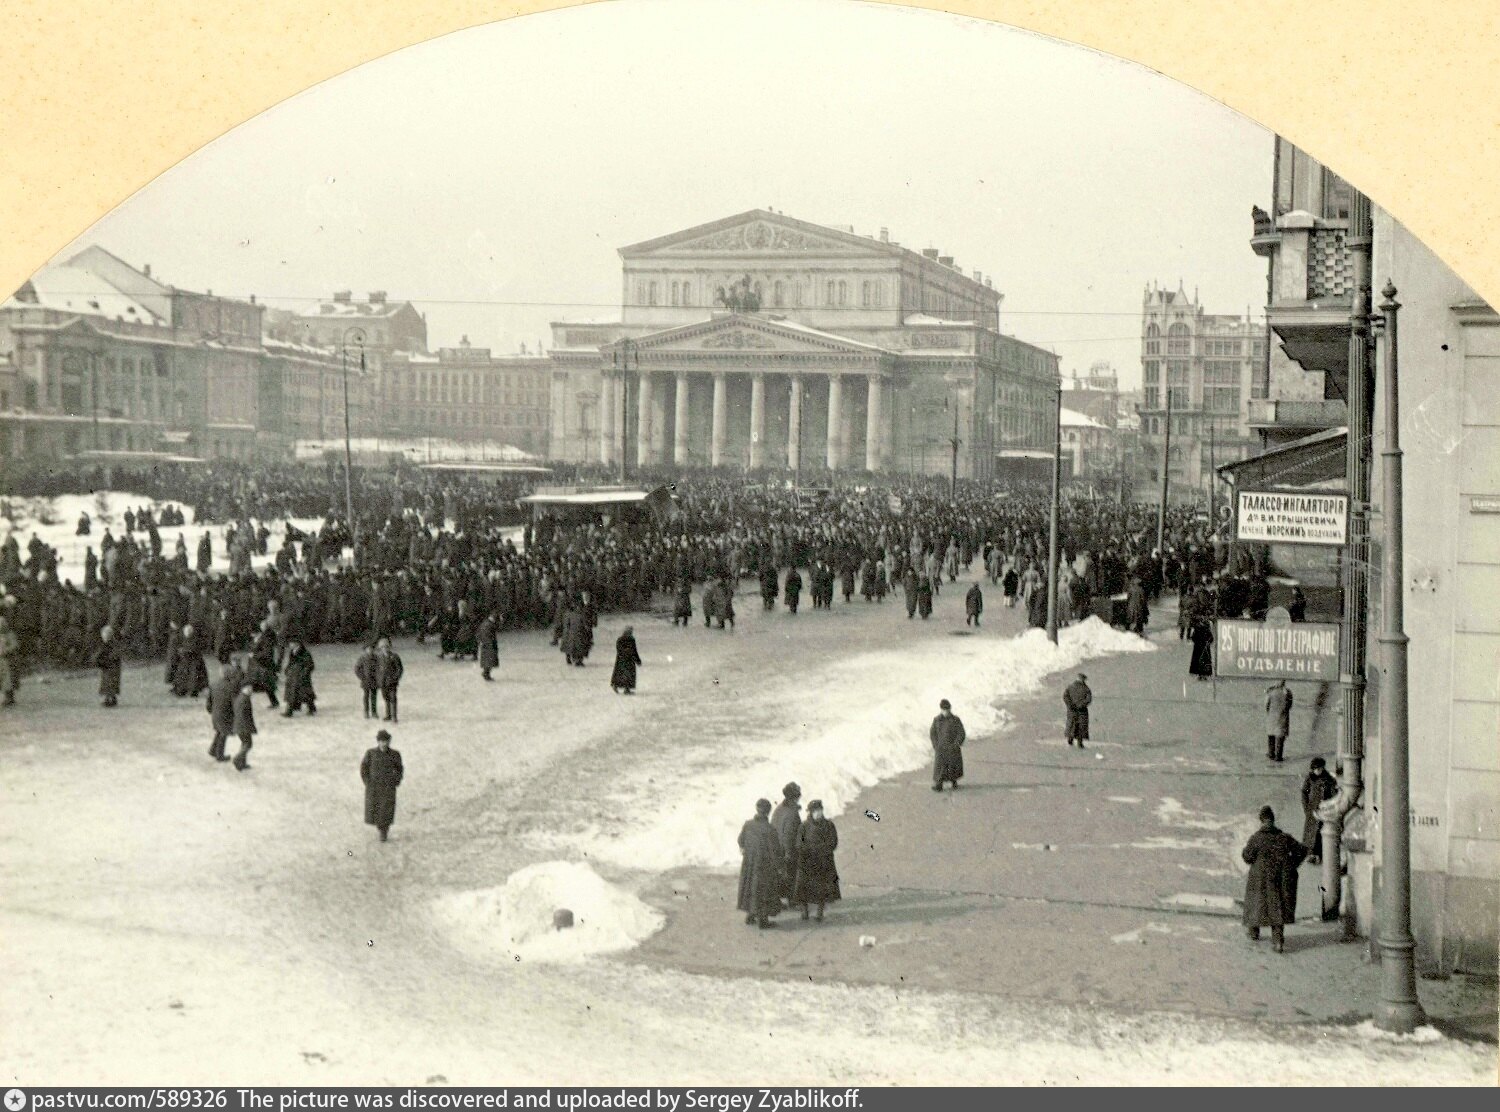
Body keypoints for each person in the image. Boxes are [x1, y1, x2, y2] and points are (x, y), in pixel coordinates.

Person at [1241, 805, 1306, 953]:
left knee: (1256, 902)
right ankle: (1278, 941)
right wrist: (1292, 865)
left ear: (1261, 821)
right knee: (1278, 908)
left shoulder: (1256, 838)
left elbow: (1247, 857)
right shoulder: (1284, 837)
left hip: (1261, 877)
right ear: (1273, 820)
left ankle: (1254, 932)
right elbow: (1302, 850)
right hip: (1281, 877)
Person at [736, 798, 783, 929]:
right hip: (764, 866)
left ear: (757, 809)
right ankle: (763, 921)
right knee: (763, 891)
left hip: (749, 864)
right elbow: (775, 851)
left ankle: (750, 916)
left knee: (750, 888)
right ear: (768, 812)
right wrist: (780, 866)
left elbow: (740, 841)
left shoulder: (748, 824)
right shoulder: (770, 829)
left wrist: (746, 850)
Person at [793, 799, 841, 922]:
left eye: (819, 810)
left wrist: (822, 850)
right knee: (803, 888)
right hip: (807, 861)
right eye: (815, 811)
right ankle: (804, 911)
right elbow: (798, 844)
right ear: (810, 812)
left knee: (822, 889)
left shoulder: (829, 825)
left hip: (823, 861)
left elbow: (833, 842)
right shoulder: (804, 826)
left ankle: (819, 913)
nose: (818, 813)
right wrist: (808, 850)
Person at [361, 729, 404, 843]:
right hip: (374, 787)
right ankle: (380, 828)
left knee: (386, 810)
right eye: (381, 741)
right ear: (378, 742)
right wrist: (367, 782)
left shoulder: (395, 754)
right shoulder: (371, 753)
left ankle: (384, 831)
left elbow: (399, 769)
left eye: (386, 741)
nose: (384, 744)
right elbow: (364, 768)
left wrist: (396, 781)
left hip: (388, 787)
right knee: (375, 809)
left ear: (389, 741)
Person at [1301, 758, 1338, 865]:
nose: (1317, 771)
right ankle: (1309, 854)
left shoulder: (1329, 779)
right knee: (1310, 833)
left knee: (1320, 833)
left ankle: (1319, 854)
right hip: (1312, 810)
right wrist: (1306, 807)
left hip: (1323, 810)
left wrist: (1330, 806)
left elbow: (1333, 794)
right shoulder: (1309, 778)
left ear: (1322, 768)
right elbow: (1304, 792)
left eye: (1319, 769)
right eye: (1315, 769)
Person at [770, 783, 802, 907]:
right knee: (791, 874)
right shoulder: (792, 813)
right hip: (786, 849)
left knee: (780, 876)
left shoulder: (779, 808)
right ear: (796, 797)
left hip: (775, 847)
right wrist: (789, 853)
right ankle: (791, 900)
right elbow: (789, 835)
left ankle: (778, 900)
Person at [207, 658, 242, 762]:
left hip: (215, 713)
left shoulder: (213, 684)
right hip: (226, 714)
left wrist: (210, 710)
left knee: (219, 731)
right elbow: (234, 702)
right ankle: (219, 755)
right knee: (224, 734)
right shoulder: (231, 687)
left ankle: (213, 750)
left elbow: (209, 701)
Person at [929, 698, 966, 791]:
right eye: (944, 710)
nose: (946, 711)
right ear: (941, 709)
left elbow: (961, 733)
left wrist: (956, 744)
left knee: (953, 766)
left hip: (952, 747)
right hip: (941, 748)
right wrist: (935, 745)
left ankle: (954, 782)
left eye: (948, 709)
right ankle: (939, 785)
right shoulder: (937, 720)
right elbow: (933, 733)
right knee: (940, 768)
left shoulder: (955, 720)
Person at [282, 639, 317, 717]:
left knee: (305, 693)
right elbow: (290, 663)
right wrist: (287, 670)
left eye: (291, 643)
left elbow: (310, 665)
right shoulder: (292, 652)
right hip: (293, 676)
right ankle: (290, 710)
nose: (290, 645)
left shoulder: (305, 653)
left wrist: (304, 674)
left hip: (301, 676)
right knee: (293, 692)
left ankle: (310, 708)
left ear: (297, 643)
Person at [231, 681, 257, 771]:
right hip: (244, 726)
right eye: (249, 688)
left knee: (244, 743)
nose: (251, 690)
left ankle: (242, 763)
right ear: (244, 688)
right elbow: (244, 715)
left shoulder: (240, 697)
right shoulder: (245, 699)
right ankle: (237, 759)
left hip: (238, 726)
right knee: (248, 744)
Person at [376, 637, 403, 723]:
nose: (384, 649)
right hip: (382, 682)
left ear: (389, 647)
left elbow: (399, 669)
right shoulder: (379, 657)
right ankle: (388, 715)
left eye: (386, 647)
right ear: (380, 648)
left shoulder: (394, 656)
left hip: (392, 682)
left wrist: (395, 678)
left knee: (393, 698)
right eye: (382, 647)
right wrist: (378, 679)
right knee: (386, 698)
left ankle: (394, 716)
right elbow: (376, 669)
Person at [1265, 679, 1292, 761]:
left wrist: (1269, 712)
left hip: (1272, 716)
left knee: (1271, 735)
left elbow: (1266, 704)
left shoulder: (1271, 691)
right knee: (1280, 737)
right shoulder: (1287, 692)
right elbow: (1290, 705)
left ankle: (1271, 753)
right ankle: (1278, 756)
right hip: (1282, 716)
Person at [610, 625, 643, 694]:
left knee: (620, 673)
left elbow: (619, 649)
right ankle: (626, 689)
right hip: (629, 660)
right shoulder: (631, 639)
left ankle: (616, 685)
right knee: (629, 674)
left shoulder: (620, 639)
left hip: (621, 660)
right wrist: (637, 660)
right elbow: (634, 651)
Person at [95, 625, 122, 709]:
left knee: (109, 683)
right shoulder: (107, 644)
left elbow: (114, 655)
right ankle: (112, 698)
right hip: (108, 667)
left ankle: (109, 699)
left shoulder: (112, 644)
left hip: (111, 667)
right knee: (108, 683)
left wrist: (104, 661)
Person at [1063, 672, 1091, 748]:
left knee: (1072, 724)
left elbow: (1065, 696)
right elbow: (1088, 699)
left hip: (1072, 709)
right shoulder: (1086, 688)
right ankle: (1079, 742)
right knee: (1081, 726)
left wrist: (1070, 705)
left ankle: (1070, 739)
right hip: (1082, 710)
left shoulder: (1070, 686)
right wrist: (1081, 705)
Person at [355, 643, 379, 719]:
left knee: (374, 697)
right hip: (365, 681)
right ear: (365, 650)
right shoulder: (362, 658)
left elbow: (379, 668)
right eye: (368, 649)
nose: (370, 650)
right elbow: (357, 669)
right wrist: (362, 677)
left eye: (371, 649)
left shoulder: (376, 658)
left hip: (374, 680)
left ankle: (374, 712)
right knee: (366, 697)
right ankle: (366, 712)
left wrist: (378, 677)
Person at [1188, 613, 1215, 681]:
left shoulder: (1197, 628)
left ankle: (1200, 674)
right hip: (1205, 648)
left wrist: (1196, 642)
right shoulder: (1207, 629)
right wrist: (1208, 642)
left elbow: (1193, 637)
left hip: (1198, 647)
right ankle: (1205, 674)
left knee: (1198, 660)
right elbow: (1211, 638)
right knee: (1205, 661)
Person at [0, 614, 18, 707]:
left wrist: (5, 651)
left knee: (8, 679)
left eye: (2, 623)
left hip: (7, 660)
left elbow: (14, 646)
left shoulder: (10, 634)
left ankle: (9, 698)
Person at [477, 611, 499, 682]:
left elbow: (479, 633)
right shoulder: (490, 624)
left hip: (485, 644)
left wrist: (480, 641)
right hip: (489, 644)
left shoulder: (485, 623)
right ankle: (486, 674)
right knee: (490, 660)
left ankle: (486, 673)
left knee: (487, 660)